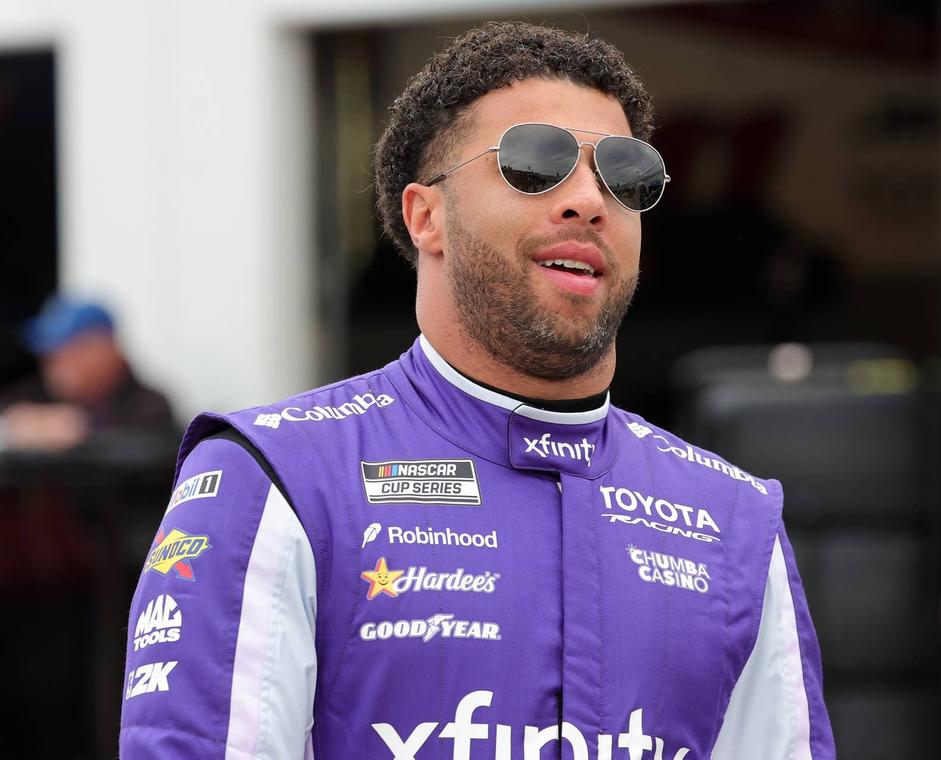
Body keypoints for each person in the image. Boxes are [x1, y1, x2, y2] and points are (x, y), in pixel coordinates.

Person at [119, 21, 834, 759]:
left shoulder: (734, 522)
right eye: (535, 161)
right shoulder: (276, 479)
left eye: (625, 173)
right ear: (425, 216)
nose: (588, 200)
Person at [0, 295, 175, 451]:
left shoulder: (150, 406)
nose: (54, 364)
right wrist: (16, 424)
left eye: (69, 351)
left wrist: (79, 431)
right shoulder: (35, 392)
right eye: (48, 352)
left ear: (104, 350)